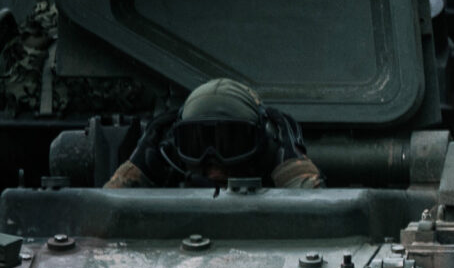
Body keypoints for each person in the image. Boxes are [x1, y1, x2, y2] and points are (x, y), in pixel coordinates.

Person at [106, 78, 322, 190]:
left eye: (230, 143)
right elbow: (102, 217)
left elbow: (317, 214)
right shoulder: (169, 162)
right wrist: (139, 168)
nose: (214, 166)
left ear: (260, 139)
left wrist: (291, 166)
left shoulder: (272, 153)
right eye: (197, 145)